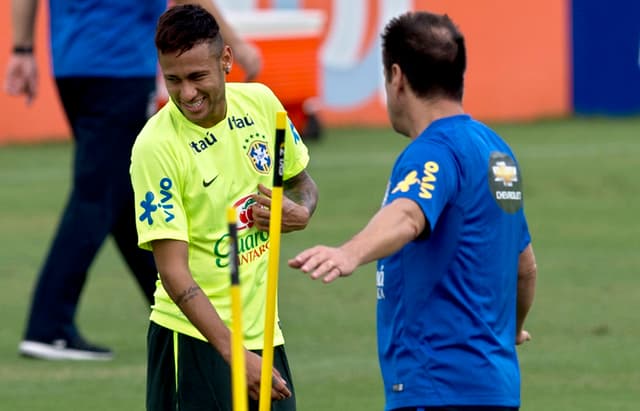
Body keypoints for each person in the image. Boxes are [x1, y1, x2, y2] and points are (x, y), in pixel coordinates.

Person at [289, 11, 537, 411]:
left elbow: (407, 215)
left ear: (397, 77)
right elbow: (525, 267)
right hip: (497, 389)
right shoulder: (497, 151)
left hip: (438, 386)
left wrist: (349, 252)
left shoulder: (430, 152)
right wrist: (513, 329)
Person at [3, 0, 262, 360]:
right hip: (119, 64)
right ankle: (48, 327)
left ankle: (177, 310)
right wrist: (240, 46)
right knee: (97, 196)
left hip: (70, 64)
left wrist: (22, 48)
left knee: (124, 194)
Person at [130, 4, 318, 411]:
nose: (186, 94)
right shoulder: (155, 147)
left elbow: (304, 185)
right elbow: (173, 272)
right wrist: (234, 354)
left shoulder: (264, 106)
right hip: (195, 342)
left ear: (226, 60)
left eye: (197, 77)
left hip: (265, 335)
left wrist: (300, 212)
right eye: (173, 80)